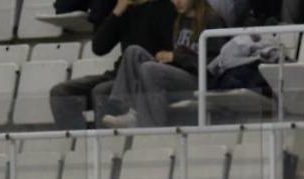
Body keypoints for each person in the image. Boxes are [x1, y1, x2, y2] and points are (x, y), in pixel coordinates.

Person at [50, 0, 177, 131]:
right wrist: (116, 13)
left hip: (144, 77)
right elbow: (99, 48)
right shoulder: (124, 9)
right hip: (118, 74)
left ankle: (106, 142)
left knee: (102, 91)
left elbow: (170, 51)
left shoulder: (164, 7)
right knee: (61, 93)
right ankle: (81, 140)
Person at [100, 0, 229, 128]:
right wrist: (169, 58)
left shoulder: (212, 20)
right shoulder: (180, 19)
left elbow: (215, 64)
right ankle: (127, 111)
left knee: (149, 69)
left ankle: (149, 124)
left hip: (200, 80)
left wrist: (175, 57)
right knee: (134, 52)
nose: (177, 2)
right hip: (180, 72)